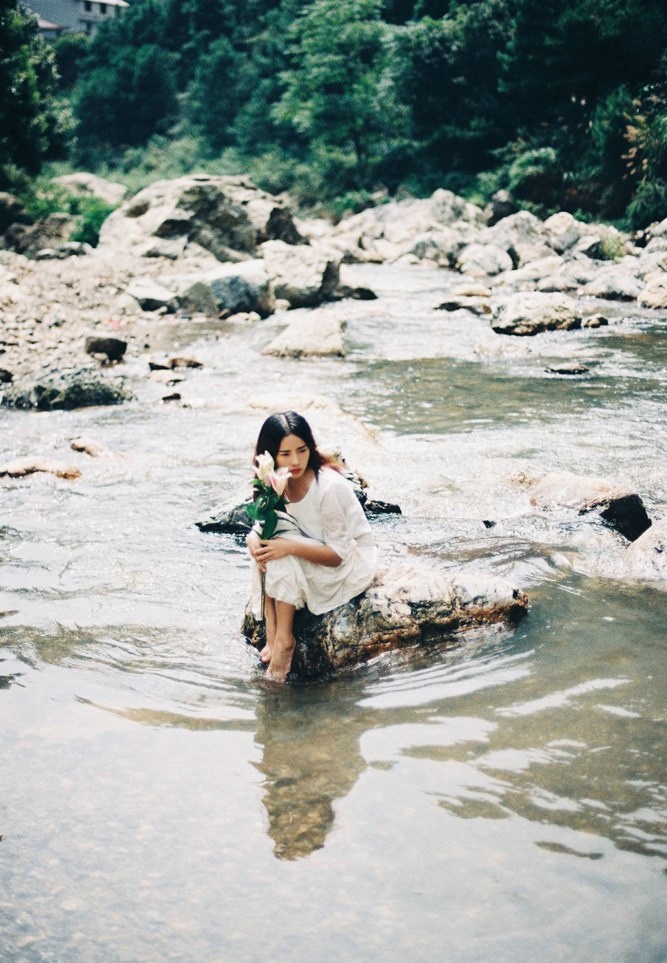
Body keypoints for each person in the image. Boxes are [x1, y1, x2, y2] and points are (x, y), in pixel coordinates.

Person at [246, 411, 378, 682]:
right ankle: (273, 633)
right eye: (285, 454)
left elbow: (338, 555)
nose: (295, 461)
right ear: (270, 455)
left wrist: (288, 547)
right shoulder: (273, 482)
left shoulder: (329, 489)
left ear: (311, 448)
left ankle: (284, 642)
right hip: (312, 547)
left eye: (302, 450)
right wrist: (253, 540)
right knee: (267, 548)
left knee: (280, 551)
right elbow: (262, 527)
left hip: (349, 561)